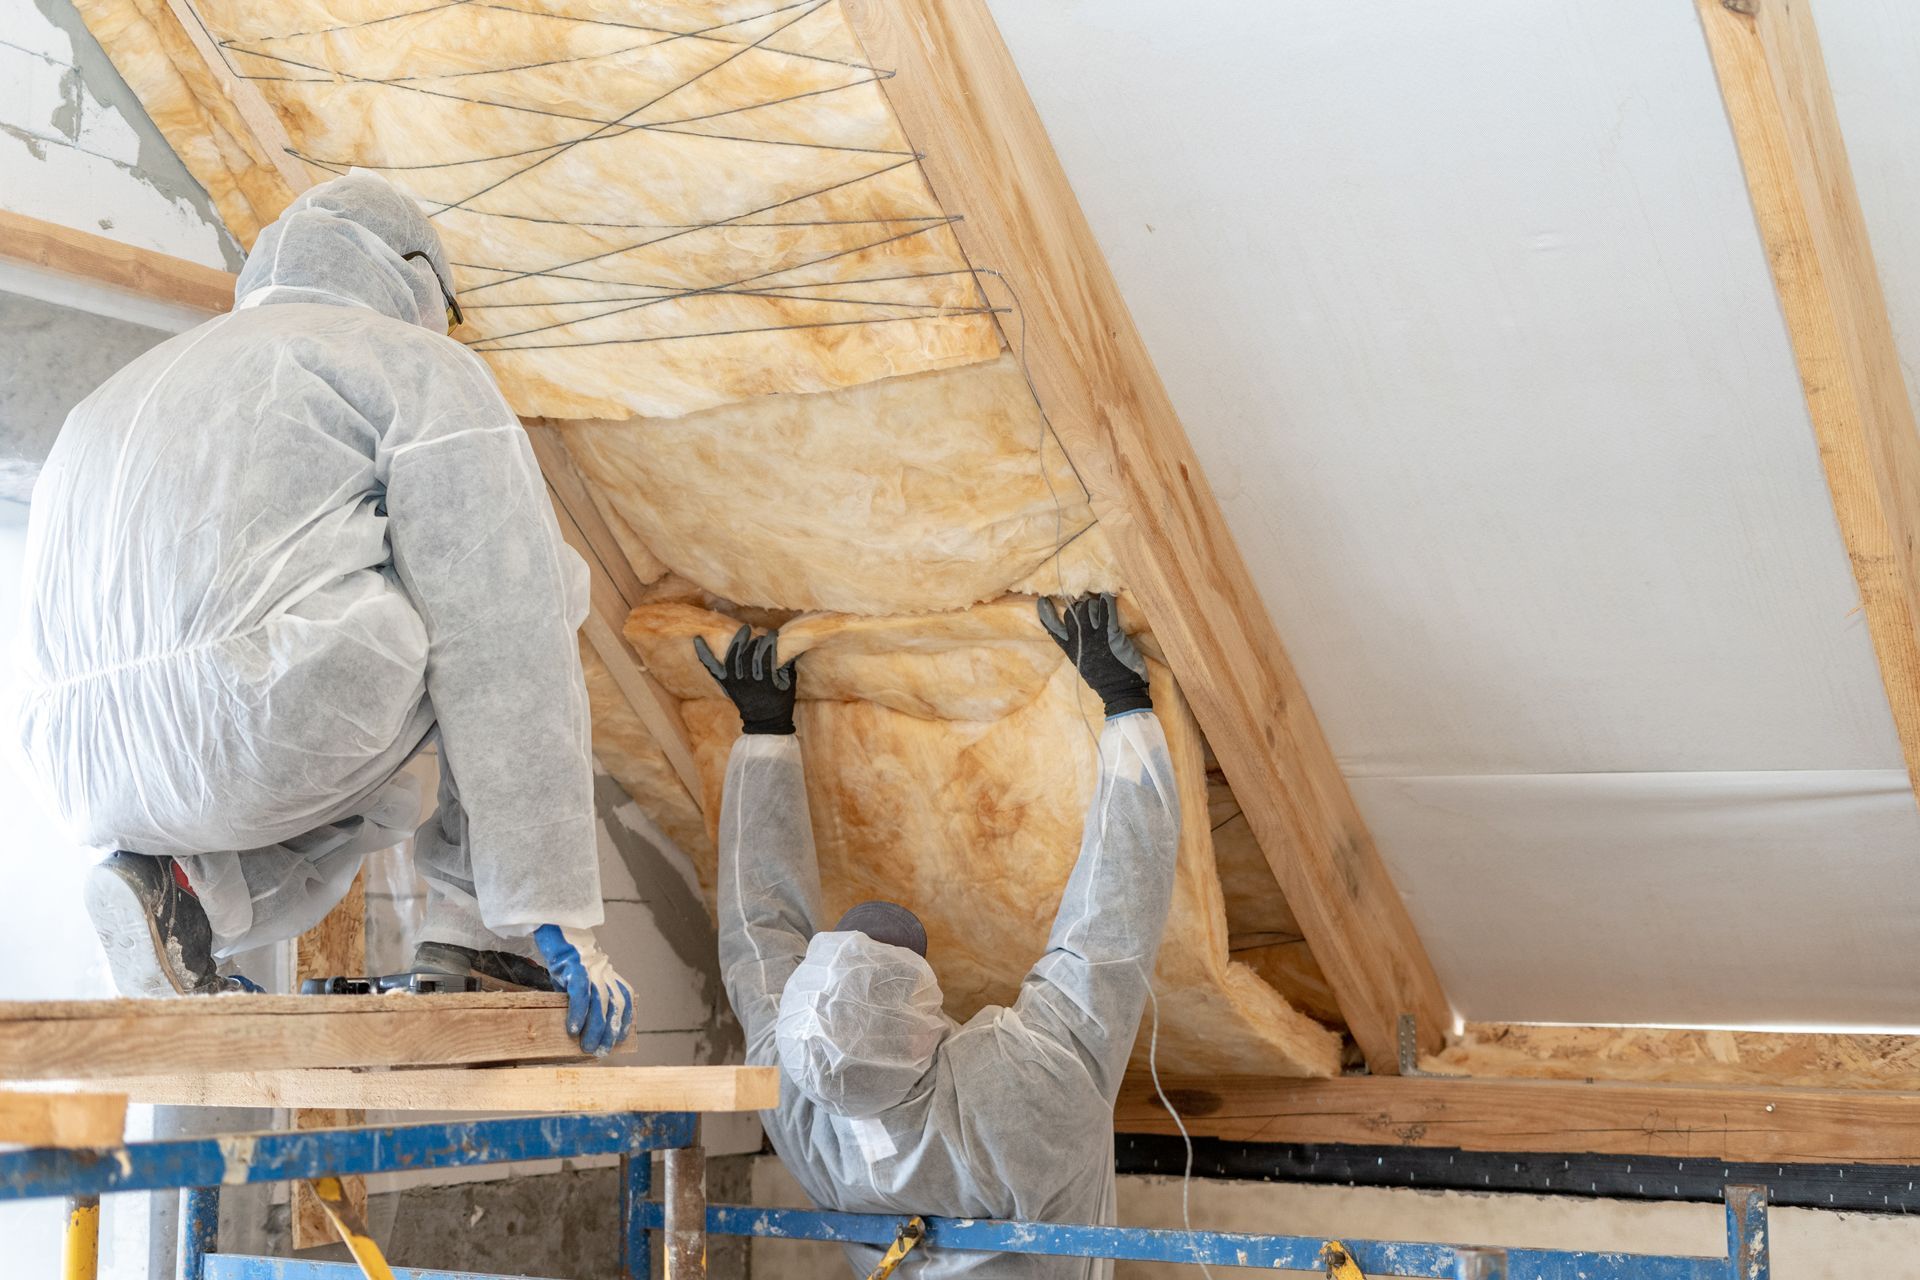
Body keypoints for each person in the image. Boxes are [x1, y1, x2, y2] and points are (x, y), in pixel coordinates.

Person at [11, 171, 632, 1053]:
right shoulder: (410, 362)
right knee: (532, 583)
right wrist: (551, 903)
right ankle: (482, 934)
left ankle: (180, 887)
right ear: (415, 275)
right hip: (259, 721)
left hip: (73, 761)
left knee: (348, 712)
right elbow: (502, 626)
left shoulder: (120, 392)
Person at [699, 592, 1181, 1278]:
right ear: (926, 1036)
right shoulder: (1018, 1100)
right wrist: (1126, 702)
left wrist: (762, 734)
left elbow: (757, 939)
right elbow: (1111, 924)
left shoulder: (794, 1096)